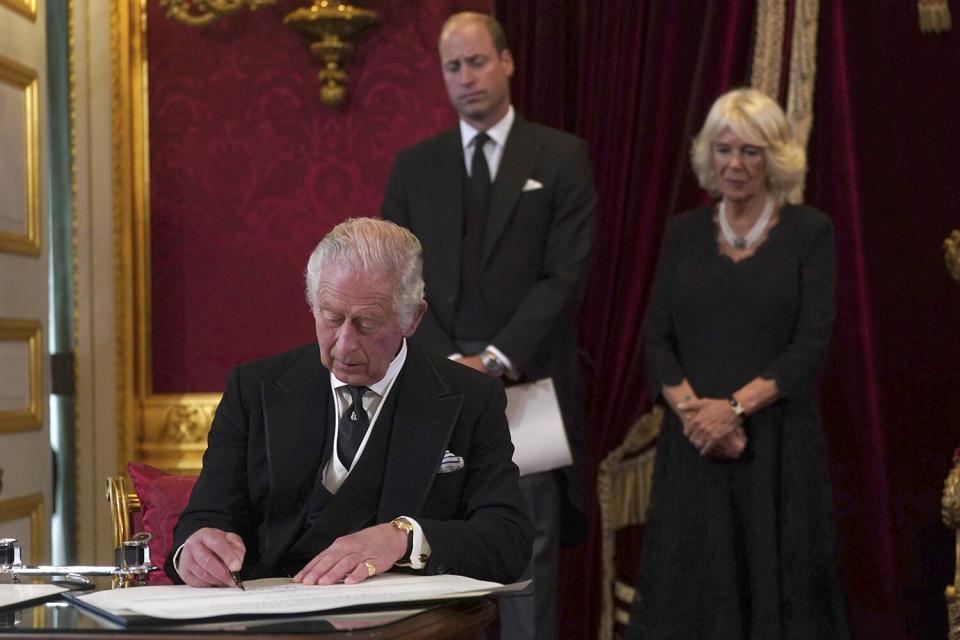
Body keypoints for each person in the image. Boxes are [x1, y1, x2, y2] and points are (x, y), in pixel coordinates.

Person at [165, 217, 532, 587]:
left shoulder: (470, 397)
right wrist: (194, 551)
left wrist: (404, 538)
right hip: (273, 615)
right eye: (331, 317)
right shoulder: (254, 388)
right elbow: (207, 517)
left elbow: (508, 541)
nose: (343, 344)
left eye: (367, 323)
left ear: (413, 317)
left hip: (403, 623)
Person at [381, 11, 596, 639]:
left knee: (528, 570)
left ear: (506, 62)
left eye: (478, 62)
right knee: (429, 567)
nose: (467, 77)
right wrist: (452, 367)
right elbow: (393, 282)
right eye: (454, 66)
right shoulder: (414, 168)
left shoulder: (560, 156)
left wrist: (495, 361)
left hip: (526, 395)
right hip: (434, 393)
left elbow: (565, 277)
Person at [628, 88, 848, 639]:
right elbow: (656, 338)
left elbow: (810, 344)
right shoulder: (682, 234)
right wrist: (697, 418)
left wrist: (733, 409)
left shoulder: (810, 233)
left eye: (751, 151)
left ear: (774, 158)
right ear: (708, 155)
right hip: (694, 445)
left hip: (775, 448)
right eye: (724, 149)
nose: (735, 164)